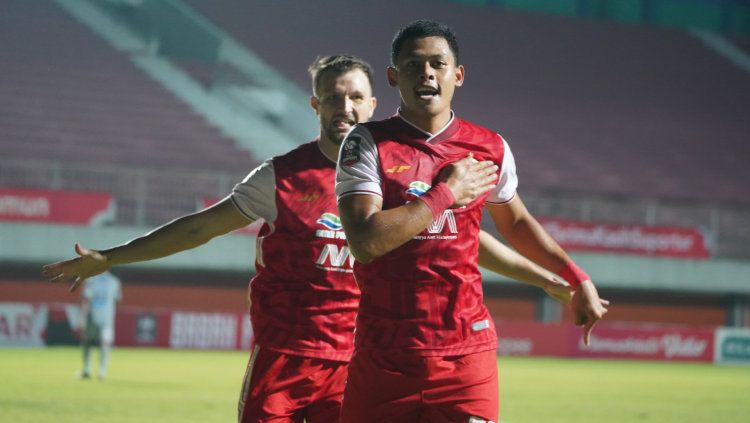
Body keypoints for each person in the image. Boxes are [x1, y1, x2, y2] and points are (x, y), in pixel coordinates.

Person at [43, 54, 572, 422]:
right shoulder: (281, 177)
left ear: (373, 104)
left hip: (364, 360)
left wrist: (545, 277)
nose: (345, 108)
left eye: (356, 98)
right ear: (315, 106)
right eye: (333, 98)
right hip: (286, 356)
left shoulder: (397, 172)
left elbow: (467, 243)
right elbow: (200, 227)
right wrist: (112, 257)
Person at [335, 20, 609, 423]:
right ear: (393, 77)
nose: (426, 73)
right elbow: (365, 241)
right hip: (385, 356)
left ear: (457, 75)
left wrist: (574, 276)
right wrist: (446, 193)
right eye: (412, 65)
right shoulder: (366, 142)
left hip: (466, 356)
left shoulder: (489, 147)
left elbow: (515, 223)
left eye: (437, 64)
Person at [78, 270, 122, 380]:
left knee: (87, 341)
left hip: (92, 315)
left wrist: (82, 317)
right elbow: (118, 299)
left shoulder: (91, 280)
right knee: (105, 343)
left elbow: (86, 299)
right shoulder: (114, 281)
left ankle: (87, 369)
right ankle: (102, 371)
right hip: (107, 317)